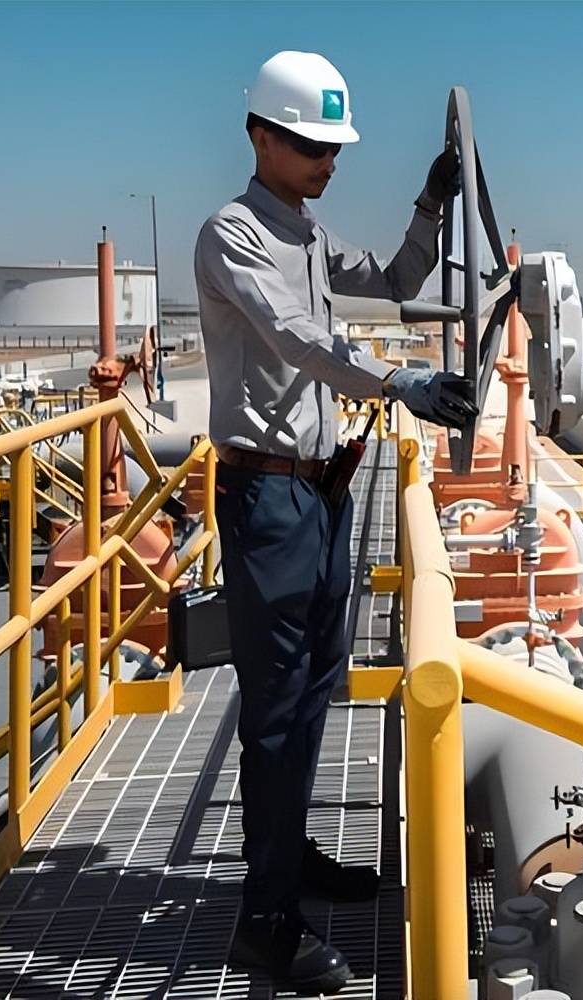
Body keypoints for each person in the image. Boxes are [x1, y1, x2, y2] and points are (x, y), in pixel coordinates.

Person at [194, 50, 477, 993]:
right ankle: (265, 924)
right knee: (276, 709)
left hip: (321, 492)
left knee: (314, 691)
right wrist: (398, 381)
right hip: (269, 498)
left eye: (334, 148)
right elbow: (296, 337)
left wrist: (431, 204)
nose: (327, 162)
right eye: (312, 146)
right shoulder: (233, 236)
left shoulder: (310, 237)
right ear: (260, 137)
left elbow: (395, 278)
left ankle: (292, 855)